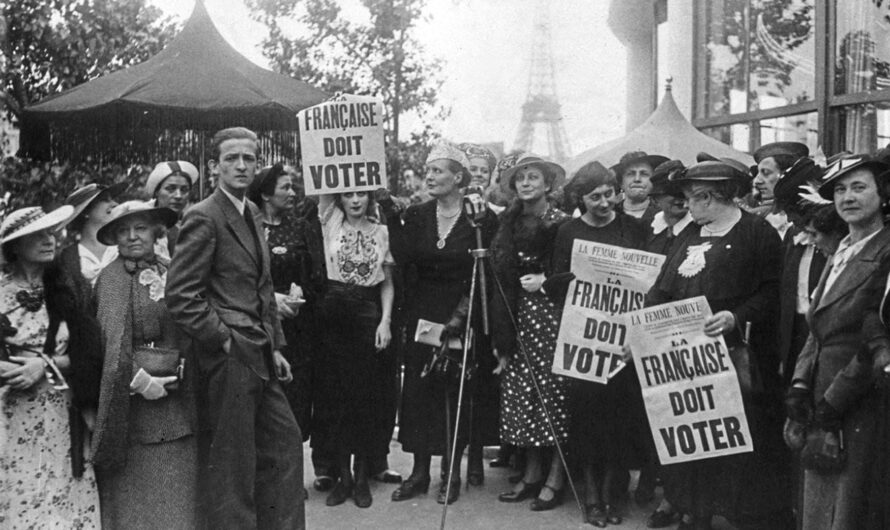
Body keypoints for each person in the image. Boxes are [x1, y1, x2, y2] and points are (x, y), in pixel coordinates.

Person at [165, 126, 303, 529]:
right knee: (234, 466)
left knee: (285, 448)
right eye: (231, 158)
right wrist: (224, 341)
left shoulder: (252, 212)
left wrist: (275, 346)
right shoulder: (203, 216)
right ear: (214, 167)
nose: (242, 166)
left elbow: (262, 287)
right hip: (230, 358)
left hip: (259, 352)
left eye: (249, 158)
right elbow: (181, 296)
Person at [641, 159, 791, 529]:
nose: (688, 206)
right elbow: (661, 288)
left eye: (693, 199)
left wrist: (736, 317)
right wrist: (643, 334)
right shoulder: (689, 234)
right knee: (689, 433)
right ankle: (694, 509)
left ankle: (735, 512)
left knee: (731, 437)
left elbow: (774, 290)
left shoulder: (757, 233)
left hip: (733, 354)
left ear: (710, 197)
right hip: (683, 355)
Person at [385, 140, 496, 505]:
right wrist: (389, 213)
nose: (429, 176)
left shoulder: (479, 217)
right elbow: (402, 257)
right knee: (418, 392)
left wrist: (463, 317)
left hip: (460, 314)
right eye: (428, 170)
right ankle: (419, 473)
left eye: (437, 170)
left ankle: (451, 473)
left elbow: (485, 271)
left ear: (458, 176)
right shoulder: (417, 214)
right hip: (422, 314)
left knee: (454, 391)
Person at [786, 154, 890, 530]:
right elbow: (818, 327)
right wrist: (800, 384)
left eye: (859, 187)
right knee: (820, 503)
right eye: (840, 190)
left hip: (862, 401)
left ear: (883, 194)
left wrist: (834, 402)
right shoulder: (841, 249)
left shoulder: (885, 252)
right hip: (821, 396)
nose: (848, 197)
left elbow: (879, 334)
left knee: (852, 509)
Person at [91, 200, 198, 529]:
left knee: (177, 496)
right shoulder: (110, 280)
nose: (132, 237)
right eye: (123, 231)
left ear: (156, 231)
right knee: (139, 499)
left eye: (140, 228)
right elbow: (109, 343)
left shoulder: (173, 268)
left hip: (179, 401)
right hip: (136, 406)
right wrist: (139, 381)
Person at [551, 160, 647, 526]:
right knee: (587, 418)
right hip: (586, 339)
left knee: (620, 420)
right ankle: (591, 496)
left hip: (623, 339)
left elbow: (647, 282)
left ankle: (612, 494)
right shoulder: (568, 232)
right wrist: (580, 278)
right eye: (595, 197)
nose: (605, 203)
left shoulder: (632, 228)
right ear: (581, 199)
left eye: (610, 194)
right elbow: (556, 280)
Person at [0, 205, 103, 528]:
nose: (50, 240)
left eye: (51, 233)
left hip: (61, 412)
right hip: (9, 415)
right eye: (38, 235)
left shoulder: (71, 289)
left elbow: (91, 354)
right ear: (15, 246)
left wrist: (43, 366)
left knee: (62, 494)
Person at [489, 155, 571, 511]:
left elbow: (572, 271)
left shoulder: (563, 223)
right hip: (517, 314)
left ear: (548, 184)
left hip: (551, 315)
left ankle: (556, 477)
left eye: (533, 177)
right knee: (525, 394)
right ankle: (532, 473)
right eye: (520, 178)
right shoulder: (508, 222)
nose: (525, 183)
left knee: (552, 393)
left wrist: (546, 281)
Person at [315, 189, 395, 508]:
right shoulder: (331, 222)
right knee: (337, 399)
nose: (356, 199)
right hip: (334, 313)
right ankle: (342, 478)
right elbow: (322, 184)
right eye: (348, 194)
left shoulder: (382, 232)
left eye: (362, 193)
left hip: (367, 312)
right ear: (340, 201)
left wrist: (385, 321)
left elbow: (387, 281)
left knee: (364, 399)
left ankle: (362, 477)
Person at [246, 163, 315, 443]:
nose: (292, 193)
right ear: (265, 194)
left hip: (297, 328)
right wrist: (271, 300)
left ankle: (291, 480)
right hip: (259, 325)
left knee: (294, 401)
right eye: (285, 187)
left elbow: (316, 272)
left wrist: (301, 291)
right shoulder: (248, 229)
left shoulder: (301, 227)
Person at [62, 182, 127, 287]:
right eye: (105, 200)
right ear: (86, 211)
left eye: (112, 199)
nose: (115, 204)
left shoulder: (125, 248)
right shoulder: (67, 259)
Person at [752, 142, 809, 237]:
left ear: (788, 174)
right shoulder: (766, 216)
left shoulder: (809, 215)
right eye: (758, 173)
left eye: (766, 172)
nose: (757, 181)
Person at [145, 160, 198, 260]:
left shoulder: (191, 224)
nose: (178, 196)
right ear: (157, 192)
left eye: (184, 190)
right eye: (170, 188)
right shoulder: (138, 219)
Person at [610, 151, 669, 222]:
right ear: (621, 183)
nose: (637, 179)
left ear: (652, 181)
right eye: (631, 174)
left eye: (644, 174)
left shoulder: (666, 214)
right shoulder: (608, 215)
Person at [460, 142, 504, 214]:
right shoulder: (442, 210)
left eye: (485, 171)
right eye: (473, 169)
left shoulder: (498, 213)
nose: (479, 174)